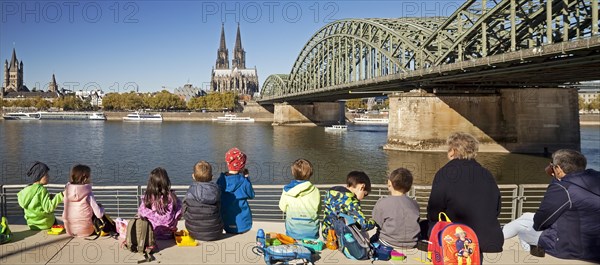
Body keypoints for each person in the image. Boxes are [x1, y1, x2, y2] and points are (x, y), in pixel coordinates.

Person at [503, 149, 600, 262]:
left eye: (552, 166)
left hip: (571, 248)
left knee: (520, 225)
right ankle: (529, 247)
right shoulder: (594, 180)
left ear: (558, 169)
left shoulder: (563, 188)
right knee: (526, 215)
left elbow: (540, 223)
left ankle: (488, 241)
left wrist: (557, 182)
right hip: (594, 244)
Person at [426, 132, 503, 253]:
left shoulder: (445, 173)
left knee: (426, 226)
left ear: (453, 150)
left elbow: (434, 210)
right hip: (487, 238)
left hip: (457, 237)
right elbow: (497, 208)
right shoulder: (486, 174)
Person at [371, 168, 420, 248]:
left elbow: (376, 223)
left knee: (370, 240)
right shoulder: (414, 203)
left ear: (390, 183)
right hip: (412, 243)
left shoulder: (382, 203)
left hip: (388, 242)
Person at [321, 171, 376, 239]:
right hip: (340, 237)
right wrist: (373, 222)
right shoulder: (351, 201)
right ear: (362, 187)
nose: (362, 198)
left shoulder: (331, 193)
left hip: (327, 234)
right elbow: (363, 225)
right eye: (365, 194)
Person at [279, 159, 321, 240]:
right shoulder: (315, 190)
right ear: (310, 173)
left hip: (293, 231)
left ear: (293, 173)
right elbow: (318, 210)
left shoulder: (287, 190)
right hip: (312, 232)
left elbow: (282, 208)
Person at [217, 147, 255, 234]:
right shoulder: (244, 181)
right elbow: (251, 195)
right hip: (243, 223)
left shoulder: (221, 180)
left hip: (226, 221)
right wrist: (247, 178)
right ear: (242, 165)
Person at [138, 167, 182, 240]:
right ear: (166, 181)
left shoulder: (148, 197)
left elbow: (141, 213)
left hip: (151, 234)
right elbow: (179, 214)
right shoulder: (172, 197)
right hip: (169, 234)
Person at [17, 161, 64, 230]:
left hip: (32, 225)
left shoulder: (26, 190)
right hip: (45, 224)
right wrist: (60, 195)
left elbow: (36, 203)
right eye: (46, 175)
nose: (48, 176)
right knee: (54, 220)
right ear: (39, 176)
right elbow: (48, 208)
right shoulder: (42, 190)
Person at [183, 161, 223, 241]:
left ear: (193, 176)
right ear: (212, 177)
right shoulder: (217, 191)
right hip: (215, 233)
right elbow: (220, 208)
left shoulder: (190, 191)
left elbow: (183, 211)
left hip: (193, 232)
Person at [63, 164, 104, 237]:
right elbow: (99, 215)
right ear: (85, 178)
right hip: (86, 231)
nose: (91, 179)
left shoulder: (66, 192)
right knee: (96, 210)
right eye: (90, 177)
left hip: (69, 230)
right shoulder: (88, 194)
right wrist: (101, 207)